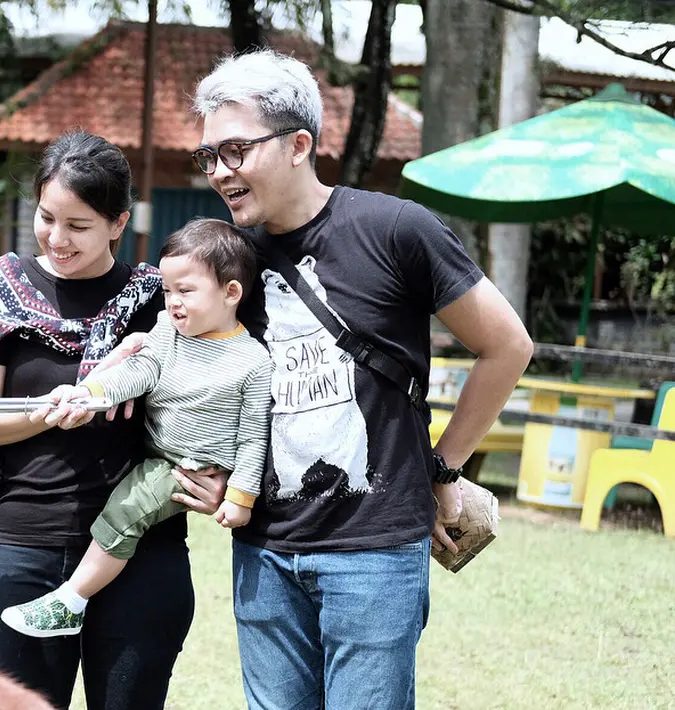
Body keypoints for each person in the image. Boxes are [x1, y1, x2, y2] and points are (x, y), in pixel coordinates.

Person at [189, 49, 534, 709]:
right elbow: (189, 371)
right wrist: (205, 466)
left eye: (234, 150)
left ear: (298, 145)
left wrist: (444, 467)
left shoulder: (395, 230)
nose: (219, 172)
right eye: (209, 156)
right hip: (262, 550)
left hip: (375, 552)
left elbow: (506, 346)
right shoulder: (226, 259)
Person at [0, 130, 228, 710]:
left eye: (78, 225)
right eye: (46, 218)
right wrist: (62, 408)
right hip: (28, 545)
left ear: (118, 223)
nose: (57, 239)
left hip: (143, 553)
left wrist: (215, 477)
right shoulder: (2, 289)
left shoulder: (159, 300)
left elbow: (225, 390)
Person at [0, 218, 273, 639]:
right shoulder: (169, 331)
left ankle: (71, 601)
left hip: (191, 466)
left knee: (126, 510)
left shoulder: (253, 361)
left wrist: (240, 497)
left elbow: (254, 436)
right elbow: (138, 370)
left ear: (231, 292)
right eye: (167, 290)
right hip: (155, 448)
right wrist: (88, 393)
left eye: (185, 291)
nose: (173, 302)